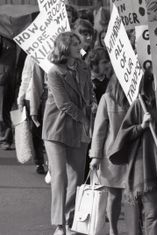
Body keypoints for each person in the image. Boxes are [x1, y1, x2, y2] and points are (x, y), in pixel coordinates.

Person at [109, 71, 157, 235]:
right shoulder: (140, 105)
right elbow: (123, 135)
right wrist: (141, 126)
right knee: (153, 212)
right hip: (145, 165)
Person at [42, 32, 94, 235]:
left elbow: (88, 92)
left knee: (77, 177)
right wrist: (85, 119)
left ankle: (69, 219)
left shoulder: (83, 67)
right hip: (56, 129)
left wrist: (92, 102)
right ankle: (59, 224)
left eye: (78, 42)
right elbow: (64, 104)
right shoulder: (54, 72)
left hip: (78, 127)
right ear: (65, 48)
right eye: (74, 44)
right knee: (60, 175)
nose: (78, 46)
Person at [89, 75, 129, 235]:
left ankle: (113, 229)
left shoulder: (107, 98)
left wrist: (96, 156)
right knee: (133, 196)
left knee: (114, 196)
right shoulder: (137, 99)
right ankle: (131, 228)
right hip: (132, 152)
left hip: (111, 154)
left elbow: (99, 129)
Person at [17, 55, 46, 174]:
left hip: (50, 97)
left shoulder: (59, 54)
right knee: (36, 131)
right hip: (31, 97)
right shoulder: (32, 56)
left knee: (49, 131)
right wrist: (20, 98)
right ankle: (39, 161)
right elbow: (26, 77)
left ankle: (51, 161)